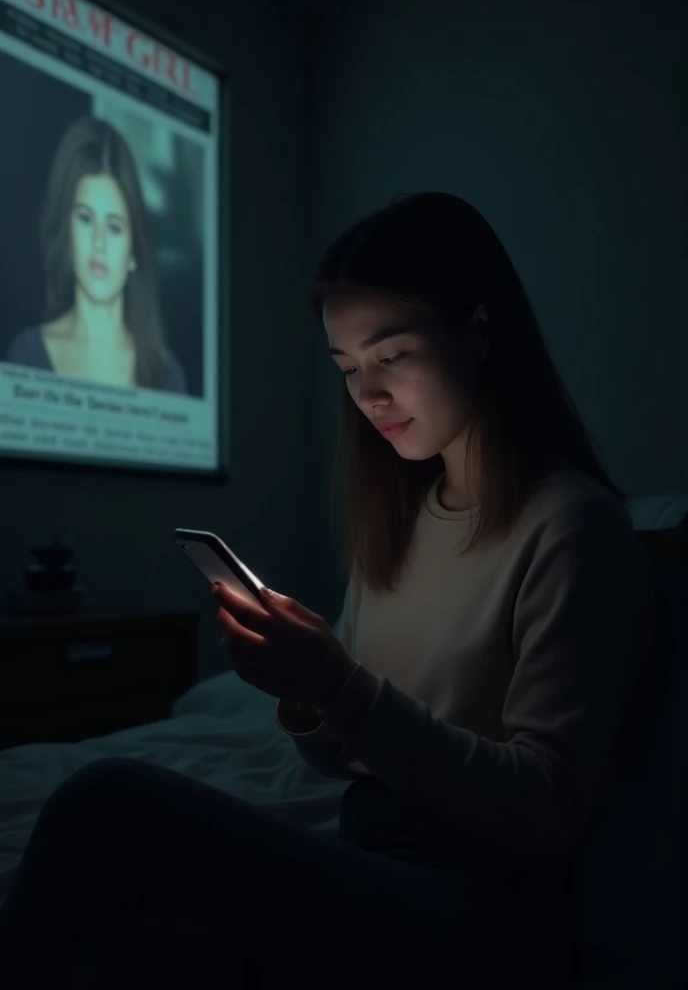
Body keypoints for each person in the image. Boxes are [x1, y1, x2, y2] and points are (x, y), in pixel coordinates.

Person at [0, 192, 652, 989]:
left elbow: (546, 810)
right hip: (369, 850)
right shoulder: (402, 524)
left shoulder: (576, 526)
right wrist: (305, 697)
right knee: (151, 951)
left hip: (482, 906)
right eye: (346, 368)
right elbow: (347, 760)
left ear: (480, 333)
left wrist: (339, 688)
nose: (367, 395)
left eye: (392, 355)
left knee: (106, 800)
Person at [4, 115, 187, 394]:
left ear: (133, 251)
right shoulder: (27, 355)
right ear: (68, 231)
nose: (99, 243)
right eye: (86, 219)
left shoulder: (167, 373)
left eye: (114, 227)